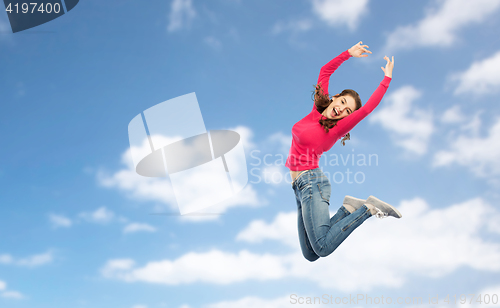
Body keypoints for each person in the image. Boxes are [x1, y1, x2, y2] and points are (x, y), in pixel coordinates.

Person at [285, 41, 401, 262]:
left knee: (323, 247)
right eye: (343, 102)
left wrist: (386, 80)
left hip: (312, 183)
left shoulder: (336, 129)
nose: (342, 109)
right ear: (335, 97)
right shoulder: (315, 111)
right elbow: (324, 71)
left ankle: (368, 209)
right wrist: (348, 53)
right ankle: (348, 208)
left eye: (348, 111)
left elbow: (367, 108)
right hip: (298, 188)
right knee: (310, 254)